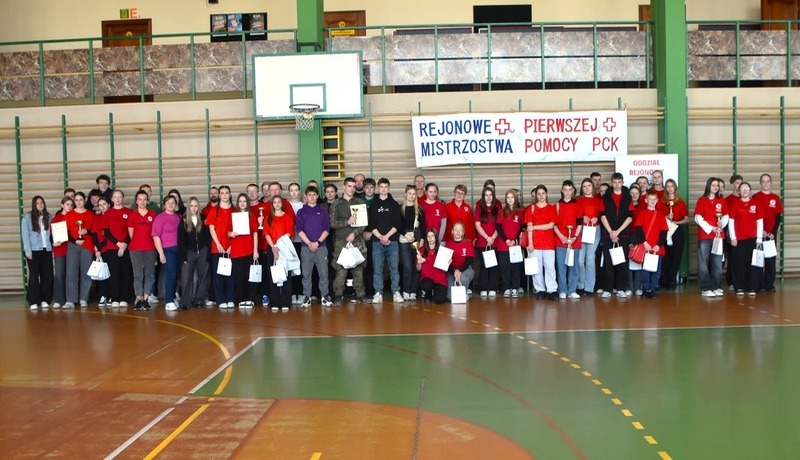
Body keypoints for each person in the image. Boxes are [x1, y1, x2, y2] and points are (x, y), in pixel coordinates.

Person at [330, 177, 369, 306]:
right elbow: (332, 224)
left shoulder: (359, 202)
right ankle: (338, 296)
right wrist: (347, 222)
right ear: (344, 187)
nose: (352, 189)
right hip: (340, 242)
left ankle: (361, 295)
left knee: (358, 269)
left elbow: (364, 223)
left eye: (353, 186)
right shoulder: (336, 203)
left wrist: (354, 233)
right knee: (340, 269)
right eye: (349, 186)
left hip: (357, 240)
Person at [367, 177, 403, 304]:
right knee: (377, 269)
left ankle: (396, 292)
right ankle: (378, 293)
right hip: (377, 242)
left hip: (392, 241)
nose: (383, 189)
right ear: (378, 188)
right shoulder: (373, 205)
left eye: (386, 187)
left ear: (389, 188)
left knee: (394, 269)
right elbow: (371, 224)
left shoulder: (394, 204)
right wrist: (380, 237)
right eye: (381, 187)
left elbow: (397, 224)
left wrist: (387, 236)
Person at [295, 185, 333, 308]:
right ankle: (307, 297)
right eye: (309, 195)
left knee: (324, 273)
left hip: (321, 247)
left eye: (314, 195)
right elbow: (299, 229)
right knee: (306, 274)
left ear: (317, 196)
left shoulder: (322, 211)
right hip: (306, 248)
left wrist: (317, 242)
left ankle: (325, 296)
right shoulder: (301, 212)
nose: (312, 197)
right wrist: (309, 243)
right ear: (306, 197)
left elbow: (326, 229)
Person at [599, 173, 633, 298]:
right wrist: (611, 232)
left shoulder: (627, 197)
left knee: (622, 263)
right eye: (615, 182)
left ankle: (620, 288)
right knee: (608, 263)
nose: (617, 184)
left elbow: (630, 217)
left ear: (622, 182)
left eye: (619, 182)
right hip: (608, 236)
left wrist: (618, 231)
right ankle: (607, 288)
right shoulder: (605, 197)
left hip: (622, 235)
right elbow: (602, 216)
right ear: (612, 183)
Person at [694, 177, 729, 297]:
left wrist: (721, 224)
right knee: (703, 263)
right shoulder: (702, 200)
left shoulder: (721, 200)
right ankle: (705, 288)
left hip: (718, 236)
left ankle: (716, 286)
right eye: (713, 185)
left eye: (717, 186)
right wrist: (711, 228)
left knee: (717, 263)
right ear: (708, 186)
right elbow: (698, 218)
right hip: (705, 236)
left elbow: (726, 216)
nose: (715, 187)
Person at [728, 182, 764, 296]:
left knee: (752, 263)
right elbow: (731, 222)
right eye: (742, 189)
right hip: (739, 239)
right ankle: (740, 286)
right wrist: (733, 237)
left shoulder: (756, 204)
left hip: (753, 238)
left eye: (747, 188)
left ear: (750, 190)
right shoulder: (734, 204)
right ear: (739, 191)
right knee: (739, 263)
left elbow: (760, 222)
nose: (744, 191)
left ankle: (752, 287)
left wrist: (759, 238)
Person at [631, 191, 668, 298]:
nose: (652, 201)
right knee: (645, 270)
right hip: (645, 246)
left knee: (656, 270)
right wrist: (644, 242)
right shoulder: (641, 213)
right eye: (650, 199)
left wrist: (658, 245)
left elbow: (664, 232)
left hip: (657, 248)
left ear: (657, 201)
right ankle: (646, 288)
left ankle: (652, 288)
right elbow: (638, 229)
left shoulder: (660, 215)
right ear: (646, 200)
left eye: (654, 199)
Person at [65, 192, 98, 308]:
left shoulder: (90, 214)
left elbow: (94, 232)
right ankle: (71, 299)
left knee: (86, 273)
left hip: (87, 246)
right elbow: (65, 233)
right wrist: (75, 241)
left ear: (85, 200)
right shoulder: (69, 215)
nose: (79, 202)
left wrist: (86, 231)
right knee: (71, 272)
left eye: (81, 200)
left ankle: (84, 298)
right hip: (73, 246)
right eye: (76, 200)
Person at [524, 185, 557, 300]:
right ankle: (539, 289)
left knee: (550, 267)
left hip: (549, 243)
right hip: (535, 242)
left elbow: (551, 225)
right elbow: (529, 227)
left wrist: (535, 227)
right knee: (536, 267)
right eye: (539, 194)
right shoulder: (531, 209)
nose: (541, 196)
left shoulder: (551, 208)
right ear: (535, 196)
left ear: (546, 194)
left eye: (543, 193)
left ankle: (552, 289)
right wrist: (530, 243)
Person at [263, 194, 296, 311]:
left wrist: (279, 246)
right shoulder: (269, 218)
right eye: (275, 202)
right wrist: (273, 247)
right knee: (273, 274)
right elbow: (266, 234)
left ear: (282, 204)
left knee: (286, 274)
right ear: (272, 204)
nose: (277, 204)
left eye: (279, 202)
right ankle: (275, 302)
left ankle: (286, 301)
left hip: (284, 248)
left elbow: (289, 233)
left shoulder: (287, 217)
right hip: (272, 248)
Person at [21, 195, 53, 310]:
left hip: (47, 249)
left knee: (47, 275)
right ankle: (33, 300)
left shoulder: (49, 217)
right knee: (34, 276)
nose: (40, 205)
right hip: (34, 250)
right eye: (38, 203)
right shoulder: (27, 218)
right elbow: (25, 236)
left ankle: (45, 299)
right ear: (34, 205)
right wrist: (27, 250)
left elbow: (52, 233)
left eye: (42, 202)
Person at [752, 173, 783, 292]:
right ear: (760, 183)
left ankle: (769, 284)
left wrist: (773, 232)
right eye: (763, 181)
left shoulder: (775, 198)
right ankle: (758, 284)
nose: (765, 183)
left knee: (770, 261)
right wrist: (762, 231)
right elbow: (753, 216)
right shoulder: (755, 197)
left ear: (771, 183)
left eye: (767, 181)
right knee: (758, 260)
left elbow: (778, 217)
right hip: (759, 235)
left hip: (771, 236)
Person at [152, 195, 183, 311]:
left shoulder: (178, 217)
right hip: (167, 249)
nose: (170, 205)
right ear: (164, 205)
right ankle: (169, 301)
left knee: (177, 275)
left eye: (173, 202)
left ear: (176, 205)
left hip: (178, 249)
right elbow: (156, 237)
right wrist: (161, 253)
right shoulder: (160, 218)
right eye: (168, 203)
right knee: (171, 275)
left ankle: (173, 297)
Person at [128, 190, 158, 310]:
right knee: (138, 274)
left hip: (150, 249)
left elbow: (155, 232)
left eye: (144, 199)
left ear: (147, 201)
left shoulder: (153, 214)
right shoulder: (132, 215)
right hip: (135, 249)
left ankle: (146, 298)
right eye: (140, 199)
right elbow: (131, 234)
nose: (142, 202)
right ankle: (139, 298)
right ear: (136, 201)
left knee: (149, 274)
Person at [179, 197, 210, 309]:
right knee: (186, 277)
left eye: (196, 206)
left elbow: (208, 237)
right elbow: (181, 240)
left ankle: (199, 300)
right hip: (189, 252)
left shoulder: (204, 218)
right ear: (188, 207)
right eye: (191, 206)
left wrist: (208, 252)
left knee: (203, 276)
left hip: (203, 251)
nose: (194, 208)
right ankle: (185, 302)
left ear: (198, 207)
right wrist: (183, 256)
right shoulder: (183, 220)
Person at [207, 185, 235, 309]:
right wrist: (218, 244)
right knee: (218, 275)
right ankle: (221, 300)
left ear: (230, 194)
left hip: (231, 248)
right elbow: (211, 228)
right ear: (219, 195)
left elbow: (238, 230)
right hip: (217, 248)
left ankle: (230, 298)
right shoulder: (214, 210)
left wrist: (231, 246)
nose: (224, 195)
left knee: (231, 274)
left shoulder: (235, 210)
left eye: (226, 193)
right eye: (222, 193)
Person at [229, 193, 259, 309]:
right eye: (240, 201)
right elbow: (227, 232)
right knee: (239, 277)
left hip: (249, 250)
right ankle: (241, 299)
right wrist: (230, 234)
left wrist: (255, 250)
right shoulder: (233, 215)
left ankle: (250, 299)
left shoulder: (251, 216)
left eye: (244, 201)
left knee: (250, 276)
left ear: (247, 203)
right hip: (237, 251)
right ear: (238, 202)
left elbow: (255, 233)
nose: (242, 203)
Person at [554, 181, 583, 299]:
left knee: (574, 266)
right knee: (561, 266)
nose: (567, 192)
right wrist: (562, 237)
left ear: (573, 191)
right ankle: (562, 290)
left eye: (570, 189)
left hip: (574, 241)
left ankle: (572, 290)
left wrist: (574, 237)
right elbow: (554, 224)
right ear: (562, 190)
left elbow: (579, 224)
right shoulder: (557, 206)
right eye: (565, 189)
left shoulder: (577, 206)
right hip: (560, 241)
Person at [659, 179, 690, 290]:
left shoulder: (680, 203)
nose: (670, 188)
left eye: (672, 186)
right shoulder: (661, 202)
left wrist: (677, 222)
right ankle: (664, 281)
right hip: (665, 230)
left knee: (676, 257)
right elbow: (657, 217)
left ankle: (672, 280)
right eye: (667, 186)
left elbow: (687, 219)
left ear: (675, 188)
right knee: (666, 257)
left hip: (677, 231)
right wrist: (666, 217)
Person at [496, 189, 524, 298]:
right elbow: (499, 227)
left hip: (515, 244)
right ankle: (507, 288)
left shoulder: (520, 212)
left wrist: (515, 240)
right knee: (505, 266)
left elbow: (521, 228)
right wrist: (506, 240)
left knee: (516, 267)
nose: (510, 199)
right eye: (508, 197)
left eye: (512, 197)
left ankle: (515, 287)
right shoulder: (501, 212)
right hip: (504, 244)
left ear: (515, 198)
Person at [576, 178, 602, 296]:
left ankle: (589, 287)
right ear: (582, 188)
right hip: (581, 230)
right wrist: (582, 217)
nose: (587, 188)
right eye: (584, 186)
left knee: (590, 259)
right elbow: (575, 214)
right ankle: (580, 284)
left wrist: (597, 217)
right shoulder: (578, 200)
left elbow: (603, 213)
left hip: (594, 230)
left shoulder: (598, 200)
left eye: (589, 185)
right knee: (580, 260)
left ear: (593, 187)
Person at [399, 185, 425, 300]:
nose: (411, 196)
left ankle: (413, 291)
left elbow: (423, 226)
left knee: (416, 265)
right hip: (404, 238)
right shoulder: (400, 208)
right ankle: (406, 290)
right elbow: (397, 225)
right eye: (409, 193)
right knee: (407, 266)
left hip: (417, 237)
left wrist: (422, 240)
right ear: (405, 194)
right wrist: (406, 234)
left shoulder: (419, 209)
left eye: (414, 194)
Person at [474, 186, 501, 297]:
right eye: (486, 195)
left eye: (490, 195)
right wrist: (487, 238)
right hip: (482, 241)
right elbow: (477, 225)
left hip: (495, 241)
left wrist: (492, 238)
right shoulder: (479, 208)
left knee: (493, 266)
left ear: (493, 196)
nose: (488, 197)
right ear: (483, 196)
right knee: (484, 265)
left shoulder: (497, 208)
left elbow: (500, 225)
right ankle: (484, 288)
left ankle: (493, 288)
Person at [50, 197, 74, 309]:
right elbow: (51, 235)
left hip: (71, 249)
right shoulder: (57, 218)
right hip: (60, 249)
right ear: (62, 205)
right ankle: (59, 299)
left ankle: (71, 299)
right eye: (67, 204)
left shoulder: (74, 217)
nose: (69, 207)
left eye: (71, 205)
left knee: (71, 275)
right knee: (59, 274)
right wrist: (53, 242)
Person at [417, 229, 448, 303]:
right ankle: (428, 292)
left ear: (436, 237)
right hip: (427, 279)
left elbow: (444, 270)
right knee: (427, 285)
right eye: (428, 236)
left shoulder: (442, 250)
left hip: (440, 279)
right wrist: (419, 262)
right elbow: (418, 269)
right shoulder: (421, 250)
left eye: (432, 236)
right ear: (426, 238)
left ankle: (435, 291)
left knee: (439, 300)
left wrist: (447, 264)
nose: (430, 238)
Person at [446, 222, 475, 299]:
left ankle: (464, 293)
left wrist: (459, 271)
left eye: (460, 230)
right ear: (452, 231)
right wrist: (454, 272)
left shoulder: (468, 243)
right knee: (450, 297)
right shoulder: (448, 244)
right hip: (452, 271)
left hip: (466, 269)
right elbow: (446, 263)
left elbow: (469, 260)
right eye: (456, 229)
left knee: (462, 279)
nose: (458, 232)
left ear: (463, 232)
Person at [287, 182, 305, 304]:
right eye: (291, 190)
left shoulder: (304, 206)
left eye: (296, 190)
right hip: (290, 242)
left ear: (299, 191)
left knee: (302, 267)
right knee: (292, 268)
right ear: (289, 192)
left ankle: (301, 292)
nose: (294, 193)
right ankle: (292, 293)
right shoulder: (285, 205)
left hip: (302, 241)